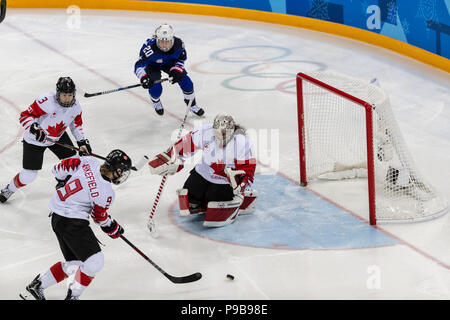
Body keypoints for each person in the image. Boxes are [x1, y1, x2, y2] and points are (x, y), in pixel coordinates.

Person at [22, 149, 131, 300]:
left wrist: (61, 182)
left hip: (57, 218)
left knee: (77, 263)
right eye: (122, 171)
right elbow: (99, 218)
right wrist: (113, 228)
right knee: (95, 262)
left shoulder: (89, 161)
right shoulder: (106, 192)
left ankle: (38, 285)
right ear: (117, 169)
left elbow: (58, 169)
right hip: (72, 221)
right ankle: (73, 296)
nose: (123, 175)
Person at [149, 114, 258, 227]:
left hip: (224, 180)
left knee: (213, 199)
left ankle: (242, 198)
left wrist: (239, 181)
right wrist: (171, 159)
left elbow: (247, 171)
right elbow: (184, 146)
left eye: (224, 135)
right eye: (216, 134)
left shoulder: (242, 143)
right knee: (190, 200)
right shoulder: (204, 131)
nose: (220, 138)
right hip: (203, 172)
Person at [0, 77, 92, 203]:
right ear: (58, 93)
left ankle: (61, 183)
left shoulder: (76, 107)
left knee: (75, 162)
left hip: (57, 136)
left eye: (70, 95)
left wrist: (82, 142)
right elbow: (25, 116)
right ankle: (9, 189)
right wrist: (34, 128)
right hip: (35, 140)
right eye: (64, 95)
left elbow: (76, 126)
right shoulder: (46, 101)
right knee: (29, 175)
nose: (67, 98)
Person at [134, 23, 205, 117]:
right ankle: (156, 101)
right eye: (161, 41)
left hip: (169, 63)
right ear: (157, 39)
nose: (164, 45)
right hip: (152, 65)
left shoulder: (179, 44)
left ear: (172, 39)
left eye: (167, 42)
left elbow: (181, 59)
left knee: (186, 81)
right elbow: (138, 65)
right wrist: (144, 77)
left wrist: (176, 70)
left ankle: (192, 105)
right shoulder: (149, 49)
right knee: (156, 89)